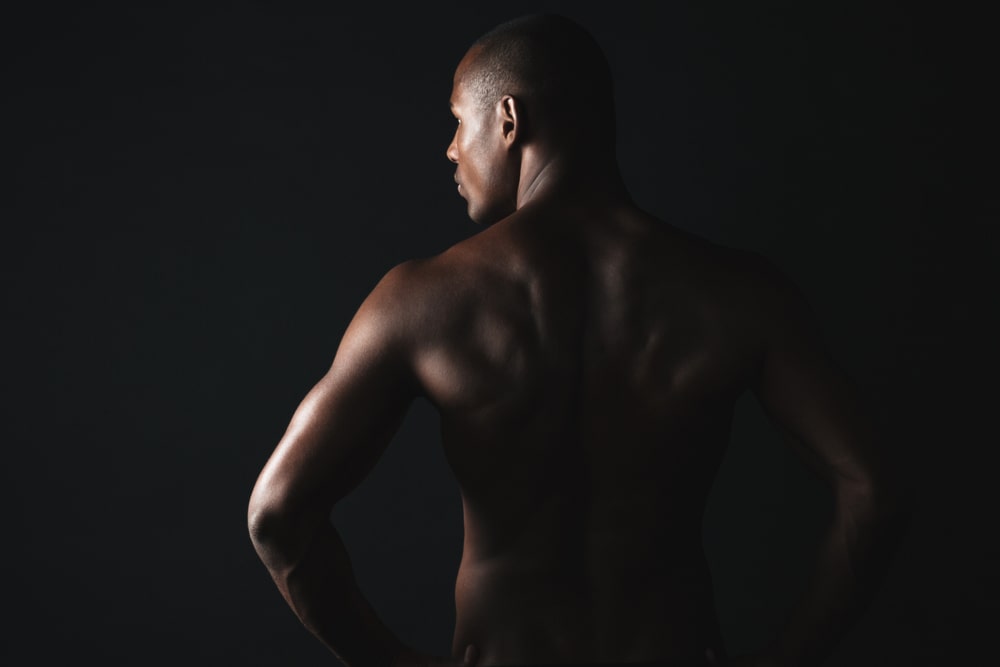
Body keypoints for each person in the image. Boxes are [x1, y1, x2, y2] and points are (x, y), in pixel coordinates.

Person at [247, 14, 910, 667]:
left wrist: (389, 660)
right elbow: (872, 490)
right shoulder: (737, 292)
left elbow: (277, 512)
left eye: (457, 120)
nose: (451, 148)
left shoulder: (421, 301)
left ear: (508, 119)